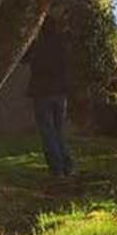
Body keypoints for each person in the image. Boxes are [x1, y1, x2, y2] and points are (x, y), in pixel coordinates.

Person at [27, 16, 75, 178]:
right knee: (59, 130)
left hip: (42, 93)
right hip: (60, 92)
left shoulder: (37, 45)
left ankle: (57, 168)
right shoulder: (63, 44)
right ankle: (68, 166)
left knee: (48, 132)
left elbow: (24, 58)